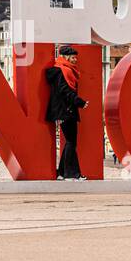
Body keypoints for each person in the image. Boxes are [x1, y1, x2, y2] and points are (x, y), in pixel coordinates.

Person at [45, 45, 89, 180]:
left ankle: (62, 173)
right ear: (65, 57)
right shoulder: (63, 71)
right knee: (71, 141)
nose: (75, 60)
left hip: (65, 111)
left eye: (75, 57)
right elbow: (65, 91)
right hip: (65, 111)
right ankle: (73, 174)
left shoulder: (64, 70)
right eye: (73, 57)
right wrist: (80, 102)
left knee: (70, 141)